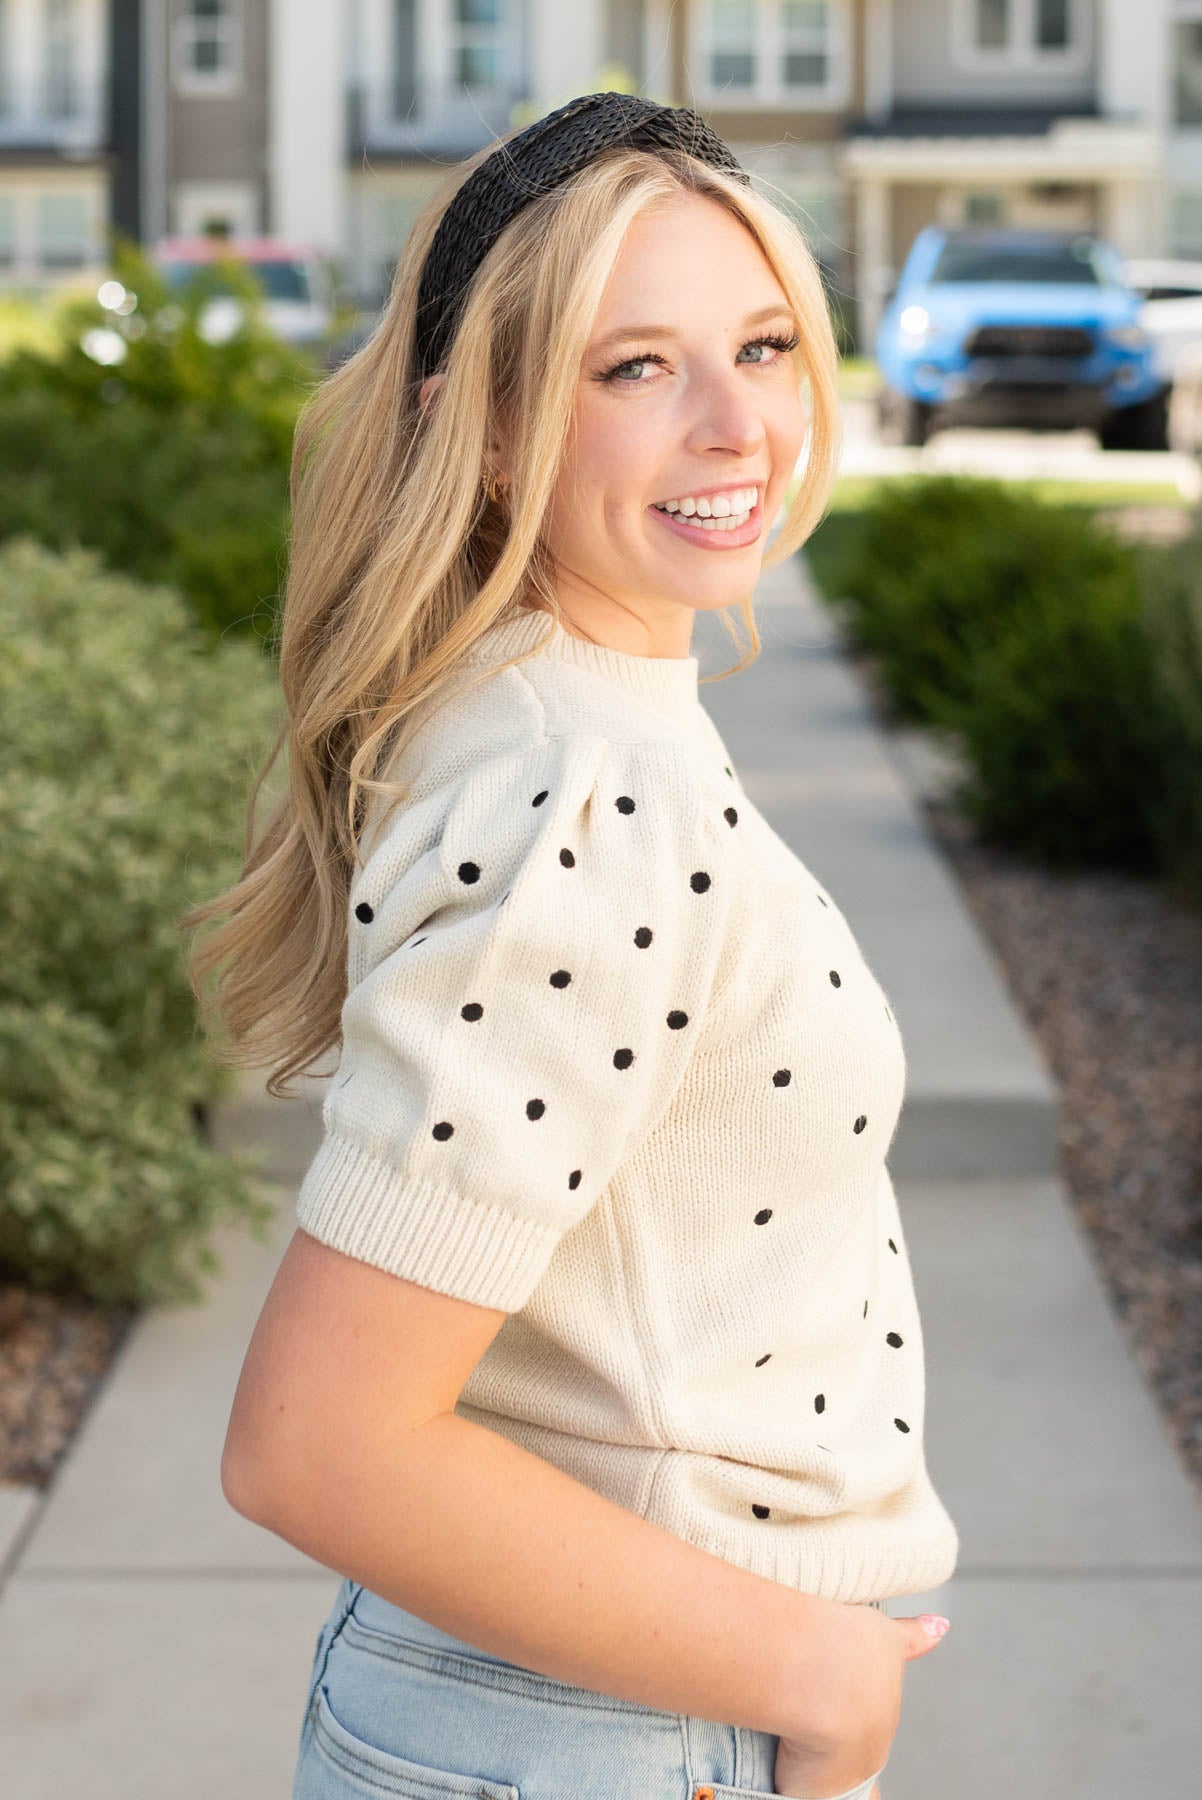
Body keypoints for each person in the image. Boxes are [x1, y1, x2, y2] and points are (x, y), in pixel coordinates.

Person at [188, 91, 958, 1800]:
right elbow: (315, 1444)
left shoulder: (555, 708)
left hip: (568, 1703)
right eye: (635, 368)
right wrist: (816, 1675)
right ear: (479, 425)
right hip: (607, 1729)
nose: (734, 424)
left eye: (759, 345)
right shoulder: (588, 803)